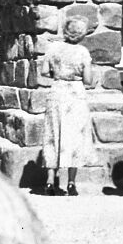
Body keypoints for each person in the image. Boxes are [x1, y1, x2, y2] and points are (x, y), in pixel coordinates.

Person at [41, 14, 97, 196]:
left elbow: (44, 71)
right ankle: (71, 182)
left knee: (53, 134)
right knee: (75, 136)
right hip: (75, 95)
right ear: (81, 34)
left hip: (57, 92)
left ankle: (50, 181)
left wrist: (59, 74)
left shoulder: (53, 48)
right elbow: (88, 80)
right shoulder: (82, 53)